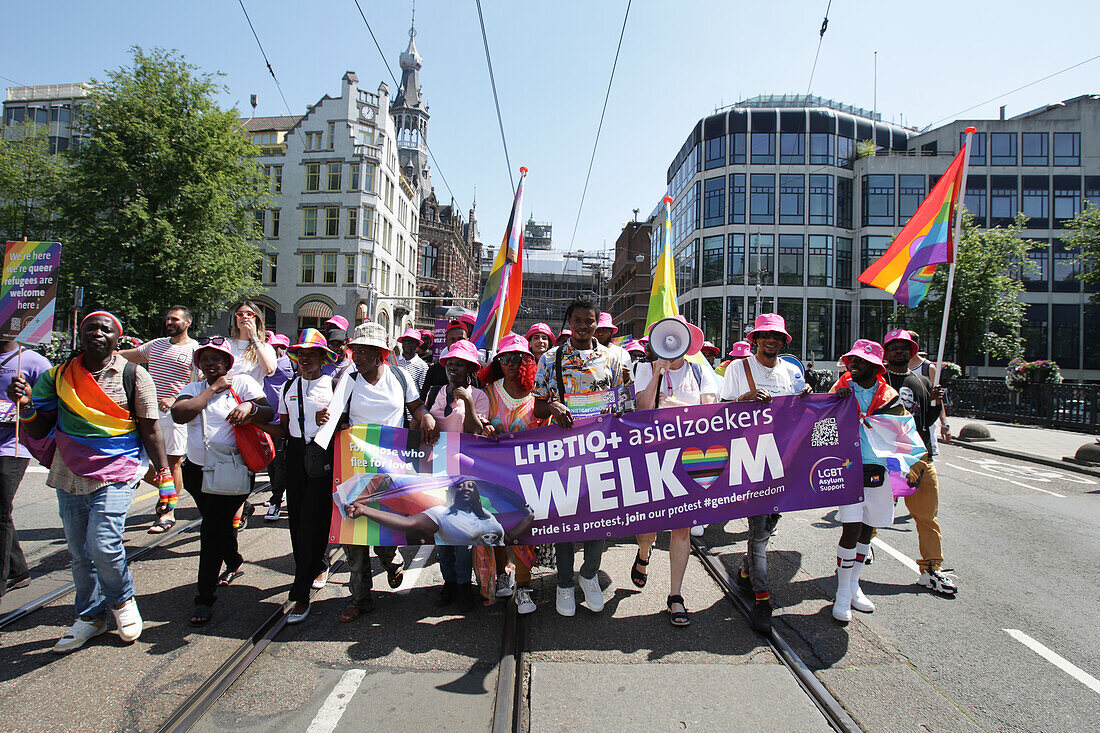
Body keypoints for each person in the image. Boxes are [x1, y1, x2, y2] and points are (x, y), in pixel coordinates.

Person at [9, 311, 170, 652]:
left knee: (103, 544)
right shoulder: (57, 376)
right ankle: (90, 617)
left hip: (117, 471)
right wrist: (24, 406)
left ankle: (122, 601)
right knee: (80, 552)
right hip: (68, 472)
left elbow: (151, 428)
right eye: (90, 328)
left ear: (118, 337)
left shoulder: (135, 375)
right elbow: (38, 429)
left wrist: (165, 475)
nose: (97, 332)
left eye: (105, 328)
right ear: (80, 335)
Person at [313, 323, 436, 623]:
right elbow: (335, 418)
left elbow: (416, 407)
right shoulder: (347, 380)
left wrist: (426, 416)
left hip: (390, 467)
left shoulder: (399, 376)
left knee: (382, 529)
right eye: (356, 351)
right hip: (354, 464)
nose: (358, 356)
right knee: (353, 535)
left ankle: (391, 561)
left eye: (365, 351)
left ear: (381, 354)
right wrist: (325, 418)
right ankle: (360, 597)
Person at [534, 297, 627, 617]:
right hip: (564, 456)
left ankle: (588, 576)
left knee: (598, 521)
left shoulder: (613, 358)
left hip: (601, 452)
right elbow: (537, 407)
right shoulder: (550, 359)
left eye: (589, 321)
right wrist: (554, 407)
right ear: (568, 323)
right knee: (565, 521)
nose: (584, 326)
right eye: (577, 320)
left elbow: (622, 406)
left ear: (596, 324)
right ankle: (562, 583)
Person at [172, 337, 273, 626]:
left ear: (228, 363)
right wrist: (213, 389)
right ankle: (233, 558)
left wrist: (250, 410)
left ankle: (204, 597)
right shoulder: (192, 389)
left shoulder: (242, 384)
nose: (211, 363)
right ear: (199, 364)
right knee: (217, 524)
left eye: (218, 359)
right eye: (205, 359)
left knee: (211, 529)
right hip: (198, 473)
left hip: (232, 470)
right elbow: (180, 414)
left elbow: (268, 412)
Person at [718, 313, 807, 635]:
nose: (771, 341)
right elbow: (718, 413)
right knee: (757, 532)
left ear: (784, 341)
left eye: (777, 337)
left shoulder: (791, 371)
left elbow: (801, 408)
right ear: (755, 339)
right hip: (751, 460)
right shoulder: (738, 368)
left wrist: (825, 399)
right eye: (765, 335)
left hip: (785, 460)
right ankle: (762, 598)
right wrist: (742, 400)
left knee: (770, 522)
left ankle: (745, 574)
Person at [632, 317, 717, 626]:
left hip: (689, 458)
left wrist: (673, 406)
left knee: (681, 528)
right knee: (650, 527)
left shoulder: (700, 370)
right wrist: (656, 372)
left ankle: (675, 596)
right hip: (654, 458)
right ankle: (644, 554)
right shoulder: (644, 368)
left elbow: (709, 411)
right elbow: (643, 409)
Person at [256, 329, 338, 623]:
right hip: (294, 457)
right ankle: (310, 568)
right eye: (301, 354)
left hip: (322, 457)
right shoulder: (289, 386)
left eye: (311, 354)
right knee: (297, 523)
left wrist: (327, 423)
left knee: (314, 523)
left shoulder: (334, 385)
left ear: (322, 359)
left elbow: (344, 425)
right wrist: (255, 423)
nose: (305, 358)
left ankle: (301, 591)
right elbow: (284, 428)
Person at [828, 339, 911, 622]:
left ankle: (854, 586)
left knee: (867, 529)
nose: (853, 364)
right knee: (850, 529)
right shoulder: (840, 389)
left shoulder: (889, 395)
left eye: (860, 361)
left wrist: (909, 468)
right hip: (847, 466)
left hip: (878, 469)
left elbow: (903, 435)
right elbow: (820, 423)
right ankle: (841, 594)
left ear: (875, 366)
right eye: (852, 359)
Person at [882, 329, 958, 596]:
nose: (899, 351)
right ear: (886, 352)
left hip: (920, 457)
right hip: (886, 458)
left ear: (912, 351)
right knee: (871, 514)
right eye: (894, 347)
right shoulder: (877, 379)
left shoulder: (922, 381)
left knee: (927, 516)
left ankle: (931, 569)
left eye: (905, 347)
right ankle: (853, 560)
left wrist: (936, 403)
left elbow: (926, 420)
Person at [478, 333, 546, 614]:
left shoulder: (538, 393)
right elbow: (476, 421)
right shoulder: (489, 391)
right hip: (492, 476)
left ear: (528, 361)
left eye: (516, 358)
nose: (509, 363)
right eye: (503, 358)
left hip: (527, 478)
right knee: (495, 530)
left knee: (523, 533)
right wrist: (482, 424)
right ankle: (503, 576)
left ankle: (524, 586)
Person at [420, 338, 489, 611]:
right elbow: (418, 419)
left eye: (460, 364)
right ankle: (448, 583)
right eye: (451, 363)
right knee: (442, 532)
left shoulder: (480, 396)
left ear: (469, 368)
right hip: (437, 471)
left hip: (465, 474)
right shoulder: (435, 391)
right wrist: (425, 413)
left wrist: (469, 402)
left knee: (463, 536)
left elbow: (475, 431)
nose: (454, 368)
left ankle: (464, 585)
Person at [120, 306, 197, 534]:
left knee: (171, 463)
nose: (169, 322)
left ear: (188, 322)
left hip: (174, 415)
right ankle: (171, 491)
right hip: (147, 411)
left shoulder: (195, 350)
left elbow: (198, 384)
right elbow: (127, 356)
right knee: (139, 463)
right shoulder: (156, 345)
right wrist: (102, 354)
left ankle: (167, 512)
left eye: (175, 319)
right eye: (168, 319)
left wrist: (177, 398)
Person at [0, 338, 51, 595]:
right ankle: (17, 570)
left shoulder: (34, 362)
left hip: (14, 444)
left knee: (0, 507)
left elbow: (50, 404)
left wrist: (28, 401)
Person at [227, 302, 277, 532]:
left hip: (250, 411)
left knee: (246, 463)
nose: (243, 318)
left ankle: (238, 510)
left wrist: (255, 339)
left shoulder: (263, 347)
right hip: (224, 412)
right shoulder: (225, 345)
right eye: (239, 314)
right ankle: (238, 507)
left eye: (249, 314)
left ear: (257, 319)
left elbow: (269, 369)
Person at [262, 333, 294, 522]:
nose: (277, 350)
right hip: (267, 419)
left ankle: (276, 499)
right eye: (274, 347)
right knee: (271, 461)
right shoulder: (266, 363)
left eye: (280, 346)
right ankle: (276, 494)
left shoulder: (290, 364)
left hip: (283, 420)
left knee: (281, 462)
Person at [421, 318, 470, 400]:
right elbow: (423, 400)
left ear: (468, 341)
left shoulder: (474, 370)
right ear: (446, 342)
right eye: (452, 339)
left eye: (460, 339)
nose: (456, 343)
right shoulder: (434, 371)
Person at [594, 312, 633, 384]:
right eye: (597, 330)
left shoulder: (623, 353)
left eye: (604, 330)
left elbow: (631, 384)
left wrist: (626, 379)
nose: (600, 333)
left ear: (611, 332)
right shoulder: (586, 352)